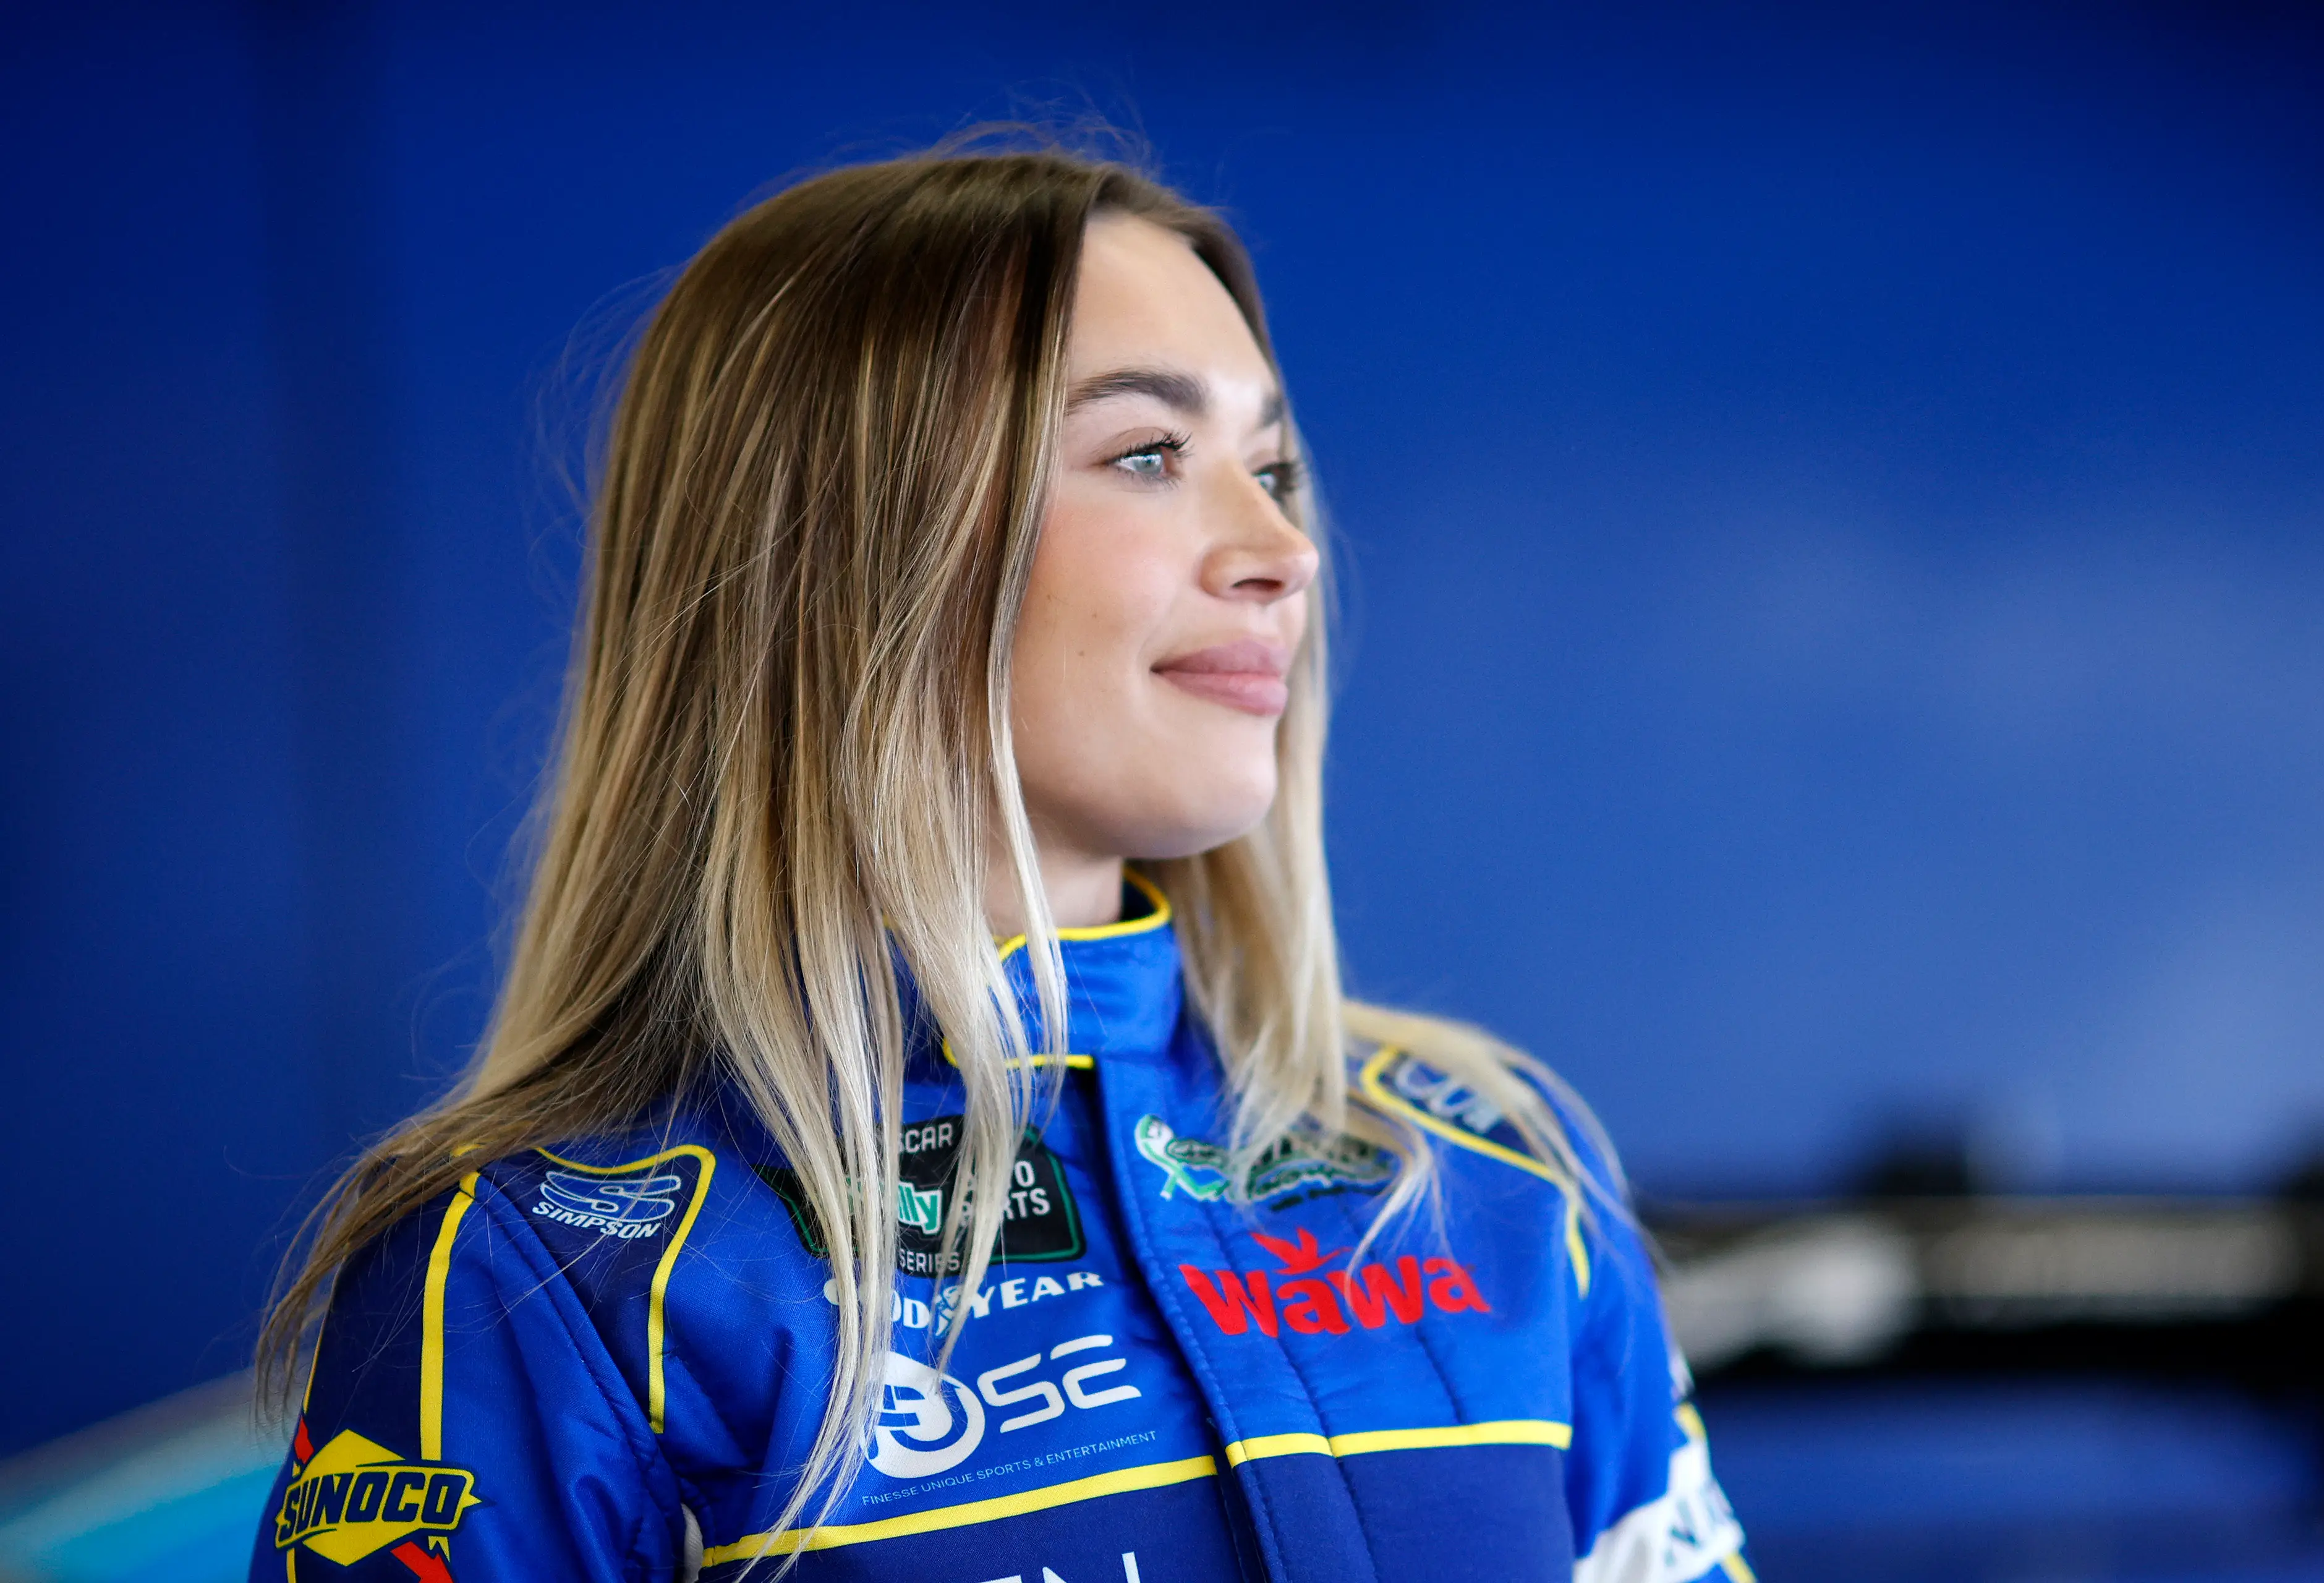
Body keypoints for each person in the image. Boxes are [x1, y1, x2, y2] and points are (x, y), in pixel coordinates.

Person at [251, 139, 1750, 1583]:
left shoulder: (1485, 1163)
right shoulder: (540, 1280)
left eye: (1276, 468)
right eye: (1150, 452)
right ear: (851, 544)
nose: (1281, 550)